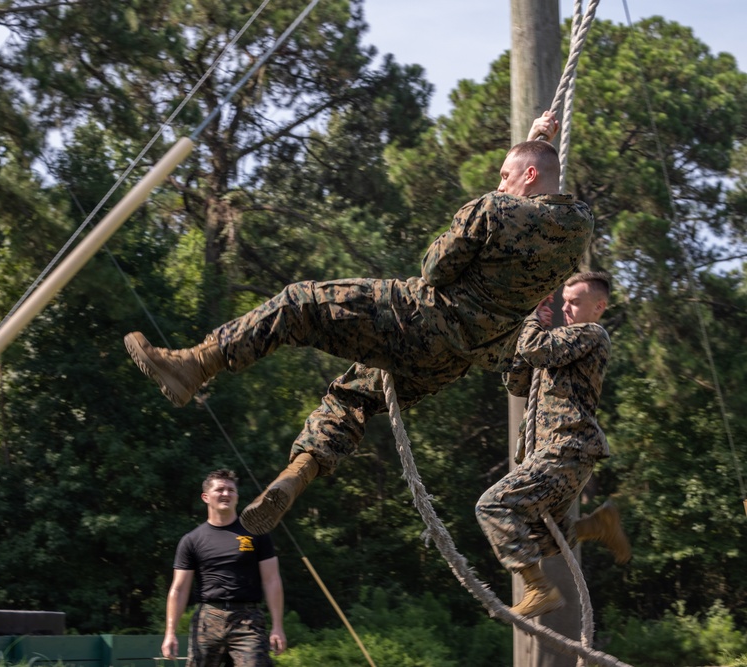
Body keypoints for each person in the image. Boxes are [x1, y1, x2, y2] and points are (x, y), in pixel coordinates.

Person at [126, 112, 594, 536]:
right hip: (456, 358)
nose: (500, 182)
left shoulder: (493, 210)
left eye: (505, 176)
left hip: (420, 318)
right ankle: (296, 475)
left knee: (299, 303)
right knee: (352, 397)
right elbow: (539, 199)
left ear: (527, 177)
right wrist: (533, 143)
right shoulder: (578, 226)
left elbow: (435, 268)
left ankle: (197, 364)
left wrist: (495, 194)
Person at [476, 271, 631, 619]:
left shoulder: (592, 334)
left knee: (493, 507)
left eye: (574, 302)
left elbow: (536, 349)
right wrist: (533, 329)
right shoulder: (559, 343)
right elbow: (517, 382)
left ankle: (539, 588)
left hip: (567, 446)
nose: (566, 309)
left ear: (599, 306)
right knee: (541, 537)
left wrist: (532, 320)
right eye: (563, 303)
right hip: (560, 451)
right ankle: (597, 525)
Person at [161, 469, 286, 666]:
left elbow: (272, 580)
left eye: (231, 490)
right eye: (220, 489)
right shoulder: (191, 540)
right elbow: (179, 589)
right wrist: (170, 632)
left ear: (237, 496)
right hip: (208, 619)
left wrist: (278, 626)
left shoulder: (257, 533)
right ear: (206, 497)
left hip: (248, 621)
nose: (226, 494)